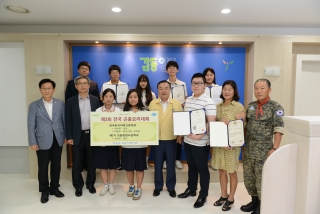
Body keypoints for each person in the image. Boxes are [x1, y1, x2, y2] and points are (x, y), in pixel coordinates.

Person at [241, 79, 284, 214]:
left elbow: (279, 128)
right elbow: (246, 126)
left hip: (264, 151)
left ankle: (262, 205)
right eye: (256, 88)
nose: (258, 91)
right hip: (249, 149)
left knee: (262, 179)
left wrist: (275, 148)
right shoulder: (251, 106)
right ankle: (254, 201)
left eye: (262, 88)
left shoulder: (276, 107)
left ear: (269, 90)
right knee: (249, 178)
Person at [177, 73, 216, 208]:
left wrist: (200, 136)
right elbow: (186, 120)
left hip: (201, 142)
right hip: (188, 141)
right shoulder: (188, 100)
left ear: (205, 85)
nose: (196, 85)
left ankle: (203, 195)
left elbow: (211, 122)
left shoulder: (209, 102)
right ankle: (191, 189)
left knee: (202, 169)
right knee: (191, 167)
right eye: (194, 83)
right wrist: (181, 134)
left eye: (199, 83)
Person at [27, 79, 65, 203]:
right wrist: (32, 142)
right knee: (43, 167)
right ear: (40, 89)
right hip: (42, 140)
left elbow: (64, 121)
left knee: (56, 165)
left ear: (54, 90)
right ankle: (44, 190)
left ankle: (54, 188)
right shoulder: (34, 105)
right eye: (44, 88)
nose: (46, 90)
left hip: (57, 139)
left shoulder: (60, 103)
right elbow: (31, 125)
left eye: (49, 88)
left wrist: (65, 136)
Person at [211, 80, 245, 211]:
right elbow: (216, 125)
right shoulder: (218, 106)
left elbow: (241, 126)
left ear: (234, 91)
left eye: (229, 89)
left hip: (232, 146)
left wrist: (229, 121)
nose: (226, 92)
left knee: (232, 172)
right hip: (220, 145)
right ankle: (223, 195)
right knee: (221, 170)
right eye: (224, 89)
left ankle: (231, 198)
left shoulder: (238, 106)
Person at [65, 75, 100, 197]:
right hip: (76, 135)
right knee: (77, 162)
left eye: (85, 83)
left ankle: (90, 184)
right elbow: (68, 120)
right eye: (80, 83)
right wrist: (69, 136)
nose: (83, 85)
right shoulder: (70, 101)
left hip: (92, 135)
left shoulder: (95, 100)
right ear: (76, 86)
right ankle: (78, 186)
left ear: (89, 85)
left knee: (91, 162)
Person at [149, 80, 183, 198]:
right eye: (161, 88)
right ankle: (158, 187)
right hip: (157, 138)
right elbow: (149, 123)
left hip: (171, 138)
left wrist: (180, 135)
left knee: (170, 164)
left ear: (170, 90)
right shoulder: (153, 104)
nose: (163, 90)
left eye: (166, 88)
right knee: (157, 164)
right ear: (157, 90)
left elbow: (180, 121)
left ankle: (171, 187)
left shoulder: (176, 104)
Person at [93, 88, 121, 196]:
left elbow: (121, 126)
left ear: (114, 98)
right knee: (103, 165)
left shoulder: (119, 111)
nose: (108, 99)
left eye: (111, 96)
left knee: (113, 165)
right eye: (106, 97)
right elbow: (96, 127)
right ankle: (105, 185)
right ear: (102, 98)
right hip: (101, 142)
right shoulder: (98, 111)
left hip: (113, 142)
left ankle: (111, 184)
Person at [100, 64, 128, 170]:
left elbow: (129, 99)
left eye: (116, 72)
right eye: (113, 72)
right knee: (108, 137)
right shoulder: (105, 85)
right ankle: (108, 161)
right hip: (107, 114)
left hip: (119, 113)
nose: (115, 74)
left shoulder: (124, 85)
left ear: (119, 74)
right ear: (109, 74)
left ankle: (120, 160)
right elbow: (101, 98)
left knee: (119, 138)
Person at [121, 89, 148, 200]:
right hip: (127, 146)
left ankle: (139, 188)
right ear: (128, 99)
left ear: (139, 98)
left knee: (140, 168)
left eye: (135, 97)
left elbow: (149, 128)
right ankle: (131, 186)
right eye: (130, 97)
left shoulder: (145, 112)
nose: (133, 99)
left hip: (140, 146)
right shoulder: (123, 113)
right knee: (129, 168)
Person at [166, 61, 188, 170]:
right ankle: (166, 160)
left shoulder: (182, 84)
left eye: (174, 68)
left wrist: (184, 102)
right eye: (169, 68)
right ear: (166, 70)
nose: (172, 69)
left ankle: (177, 159)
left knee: (179, 137)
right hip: (167, 113)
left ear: (177, 70)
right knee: (167, 136)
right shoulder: (164, 84)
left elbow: (186, 98)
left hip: (180, 113)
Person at [135, 74, 156, 169]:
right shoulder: (135, 93)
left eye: (145, 81)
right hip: (137, 119)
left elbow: (154, 108)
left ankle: (146, 161)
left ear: (147, 83)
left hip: (148, 120)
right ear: (139, 82)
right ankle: (137, 161)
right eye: (141, 81)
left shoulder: (152, 94)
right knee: (138, 141)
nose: (143, 83)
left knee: (148, 142)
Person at [203, 67, 220, 171]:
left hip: (216, 118)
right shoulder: (201, 87)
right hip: (203, 118)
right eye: (207, 75)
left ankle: (213, 161)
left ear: (214, 76)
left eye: (211, 75)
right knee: (204, 140)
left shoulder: (219, 88)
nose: (209, 77)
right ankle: (204, 161)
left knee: (214, 140)